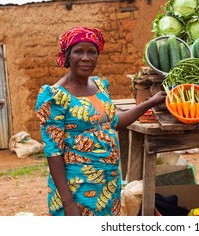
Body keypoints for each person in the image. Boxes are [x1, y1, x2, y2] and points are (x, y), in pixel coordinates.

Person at [35, 26, 166, 216]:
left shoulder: (99, 86)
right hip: (77, 189)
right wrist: (68, 202)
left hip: (108, 184)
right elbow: (53, 153)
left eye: (92, 52)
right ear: (67, 55)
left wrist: (150, 103)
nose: (86, 57)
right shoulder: (54, 96)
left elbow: (113, 122)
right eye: (79, 51)